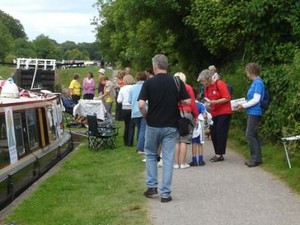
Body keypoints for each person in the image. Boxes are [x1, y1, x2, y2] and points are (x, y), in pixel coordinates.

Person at [138, 54, 191, 203]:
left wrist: (146, 116)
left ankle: (152, 186)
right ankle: (166, 194)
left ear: (155, 66)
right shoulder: (176, 81)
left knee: (150, 154)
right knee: (168, 158)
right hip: (171, 125)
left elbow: (141, 104)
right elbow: (187, 100)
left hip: (153, 124)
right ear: (166, 66)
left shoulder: (149, 83)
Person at [198, 69, 232, 162]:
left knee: (220, 131)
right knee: (213, 132)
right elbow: (207, 99)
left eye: (204, 81)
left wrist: (215, 101)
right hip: (214, 112)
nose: (203, 83)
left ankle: (219, 154)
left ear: (208, 79)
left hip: (224, 111)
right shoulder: (206, 88)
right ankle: (217, 152)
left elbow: (227, 97)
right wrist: (206, 104)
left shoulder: (219, 84)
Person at [237, 63, 264, 167]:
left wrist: (243, 106)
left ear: (251, 72)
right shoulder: (256, 82)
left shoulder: (258, 83)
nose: (247, 74)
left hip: (255, 112)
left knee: (250, 134)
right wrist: (243, 105)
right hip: (252, 112)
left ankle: (254, 159)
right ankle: (257, 158)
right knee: (253, 134)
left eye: (247, 72)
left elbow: (256, 100)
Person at [173, 72, 198, 169]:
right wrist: (195, 115)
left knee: (176, 140)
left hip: (175, 114)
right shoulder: (188, 87)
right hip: (186, 113)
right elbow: (192, 103)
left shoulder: (172, 88)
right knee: (184, 139)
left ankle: (176, 163)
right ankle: (182, 163)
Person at [129, 71, 147, 153]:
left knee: (139, 129)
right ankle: (140, 148)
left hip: (134, 111)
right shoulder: (146, 86)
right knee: (143, 129)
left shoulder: (132, 87)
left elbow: (129, 100)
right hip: (143, 110)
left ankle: (139, 145)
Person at [190, 100, 212, 166]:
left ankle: (194, 160)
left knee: (194, 143)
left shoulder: (189, 104)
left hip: (193, 125)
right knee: (200, 143)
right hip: (200, 124)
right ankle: (200, 160)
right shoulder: (200, 104)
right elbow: (205, 115)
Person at [117, 75, 135, 146]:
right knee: (132, 126)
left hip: (125, 108)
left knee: (126, 125)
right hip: (132, 108)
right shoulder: (134, 88)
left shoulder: (122, 88)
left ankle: (125, 141)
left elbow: (119, 100)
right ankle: (130, 142)